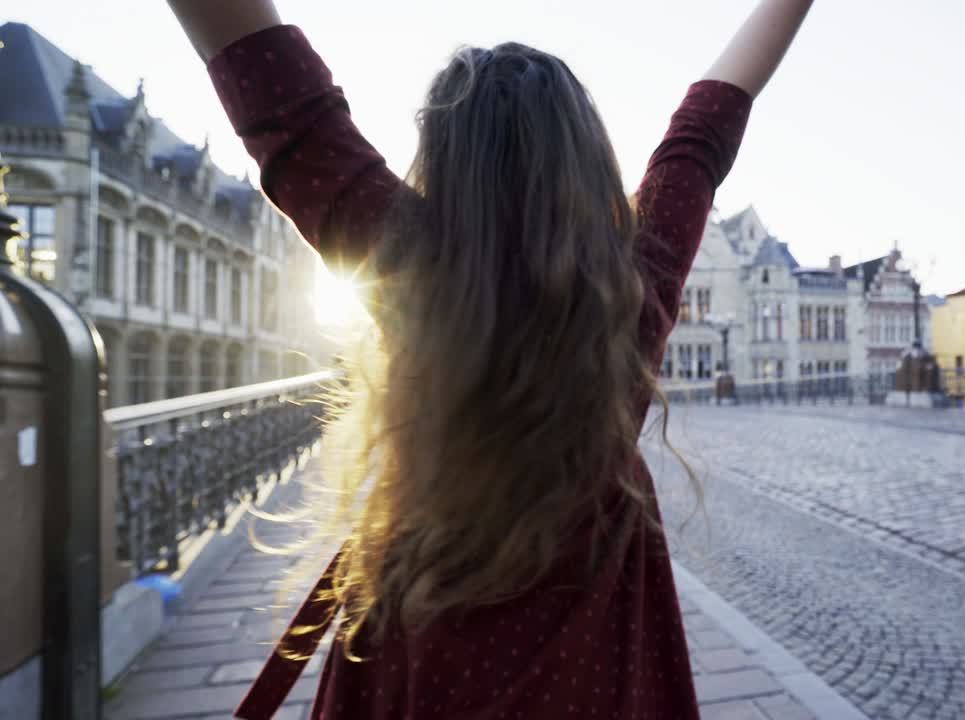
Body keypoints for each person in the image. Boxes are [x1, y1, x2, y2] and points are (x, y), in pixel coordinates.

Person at [166, 1, 814, 717]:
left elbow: (279, 99)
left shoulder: (406, 260)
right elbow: (704, 128)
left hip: (423, 666)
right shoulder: (629, 292)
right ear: (588, 162)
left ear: (444, 164)